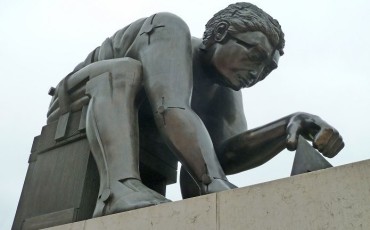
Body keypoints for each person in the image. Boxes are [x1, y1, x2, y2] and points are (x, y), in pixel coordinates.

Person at [47, 2, 344, 217]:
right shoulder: (169, 28)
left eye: (267, 68)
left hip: (139, 124)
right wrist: (215, 183)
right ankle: (117, 190)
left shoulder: (226, 85)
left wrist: (288, 125)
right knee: (123, 71)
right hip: (76, 104)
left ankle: (133, 187)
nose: (257, 72)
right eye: (254, 55)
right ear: (221, 33)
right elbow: (171, 109)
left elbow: (223, 155)